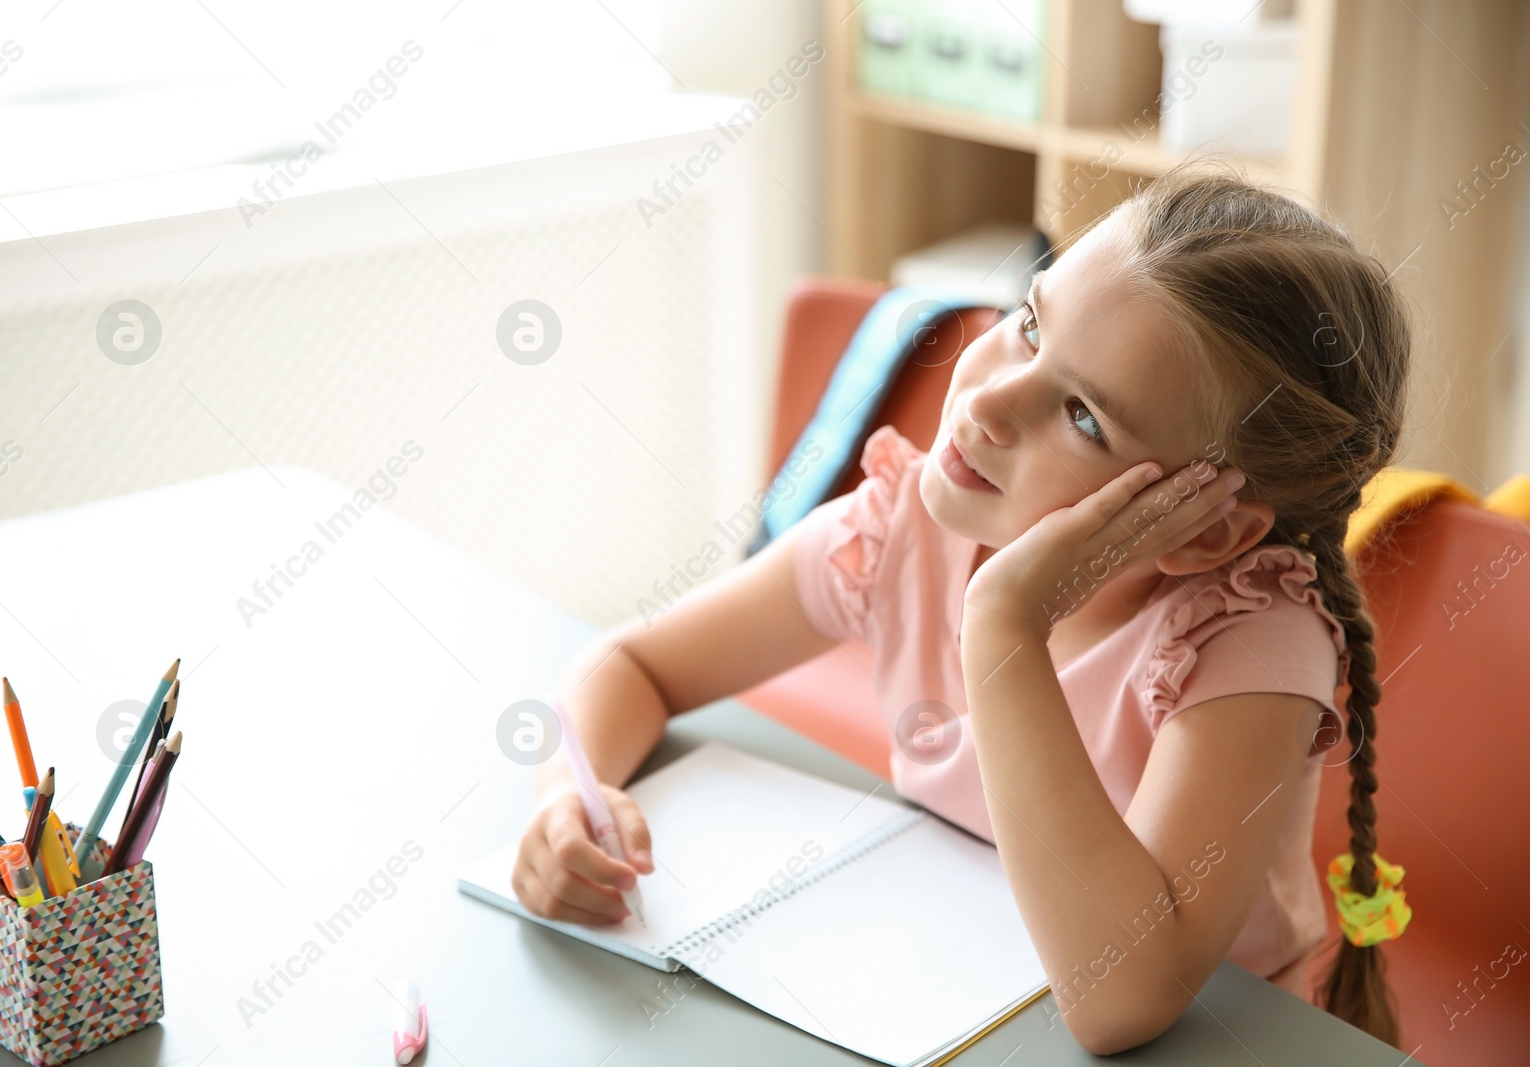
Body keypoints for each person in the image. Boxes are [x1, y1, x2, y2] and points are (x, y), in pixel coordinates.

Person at [512, 162, 1413, 1054]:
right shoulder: (905, 528)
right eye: (1028, 323)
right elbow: (631, 662)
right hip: (963, 983)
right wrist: (566, 797)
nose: (985, 399)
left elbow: (1123, 999)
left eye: (1086, 415)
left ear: (1206, 530)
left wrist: (1004, 625)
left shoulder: (1252, 644)